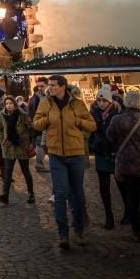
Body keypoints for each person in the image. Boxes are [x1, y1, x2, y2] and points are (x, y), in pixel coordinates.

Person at [32, 75, 96, 250]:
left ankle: (79, 229)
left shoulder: (77, 104)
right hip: (55, 154)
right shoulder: (45, 103)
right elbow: (36, 124)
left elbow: (92, 125)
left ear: (63, 87)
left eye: (53, 85)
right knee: (60, 193)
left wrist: (76, 121)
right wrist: (48, 120)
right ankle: (63, 233)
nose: (49, 88)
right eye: (49, 85)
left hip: (75, 153)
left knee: (77, 192)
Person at [107, 90, 140, 244]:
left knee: (132, 199)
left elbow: (110, 137)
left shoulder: (116, 120)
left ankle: (136, 232)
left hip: (126, 165)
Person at [89, 87, 128, 229]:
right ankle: (109, 217)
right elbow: (92, 132)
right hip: (101, 153)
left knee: (122, 185)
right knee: (104, 187)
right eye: (99, 100)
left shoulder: (117, 113)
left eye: (104, 100)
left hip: (115, 154)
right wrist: (93, 144)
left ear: (109, 100)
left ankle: (128, 213)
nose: (101, 103)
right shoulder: (93, 113)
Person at [0, 96, 34, 204]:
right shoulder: (2, 115)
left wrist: (28, 141)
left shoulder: (22, 114)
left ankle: (31, 193)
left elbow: (30, 127)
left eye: (10, 103)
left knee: (25, 170)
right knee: (7, 172)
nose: (8, 105)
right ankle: (5, 195)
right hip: (8, 146)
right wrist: (3, 140)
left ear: (15, 104)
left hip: (21, 146)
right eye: (7, 104)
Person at [28, 80, 48, 172]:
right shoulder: (38, 99)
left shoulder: (34, 98)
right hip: (40, 126)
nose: (40, 88)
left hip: (38, 125)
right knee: (40, 145)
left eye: (42, 86)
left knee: (40, 145)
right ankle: (39, 164)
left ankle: (39, 164)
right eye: (39, 86)